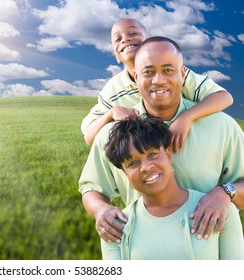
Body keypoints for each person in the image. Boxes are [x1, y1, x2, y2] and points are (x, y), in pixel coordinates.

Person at [78, 36, 244, 248]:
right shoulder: (113, 134)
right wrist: (100, 209)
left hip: (209, 251)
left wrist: (226, 192)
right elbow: (91, 188)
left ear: (182, 74)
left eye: (168, 70)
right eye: (148, 72)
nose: (158, 80)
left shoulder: (221, 126)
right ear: (136, 76)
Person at [101, 115, 244, 259]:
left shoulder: (219, 210)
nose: (145, 167)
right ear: (125, 173)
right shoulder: (114, 227)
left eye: (152, 154)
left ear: (168, 155)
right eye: (133, 163)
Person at [81, 18, 233, 151]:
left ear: (149, 43)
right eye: (118, 39)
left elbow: (224, 97)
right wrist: (111, 113)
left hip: (189, 143)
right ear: (116, 55)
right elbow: (89, 137)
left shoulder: (174, 74)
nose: (125, 39)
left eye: (133, 33)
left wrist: (186, 117)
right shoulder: (113, 89)